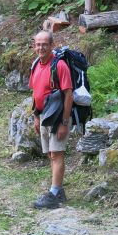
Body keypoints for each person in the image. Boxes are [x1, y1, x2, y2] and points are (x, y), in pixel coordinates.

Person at [29, 30, 73, 209]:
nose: (41, 47)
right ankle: (59, 191)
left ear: (51, 45)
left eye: (44, 44)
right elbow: (35, 92)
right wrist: (36, 117)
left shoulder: (60, 65)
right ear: (34, 46)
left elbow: (68, 95)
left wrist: (64, 122)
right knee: (50, 154)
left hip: (57, 116)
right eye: (38, 44)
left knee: (57, 154)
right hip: (43, 116)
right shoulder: (35, 65)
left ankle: (54, 193)